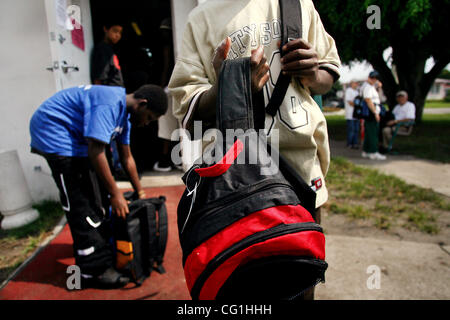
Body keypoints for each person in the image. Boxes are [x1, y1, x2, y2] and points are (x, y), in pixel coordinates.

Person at [168, 0, 340, 299]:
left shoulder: (297, 5)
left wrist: (312, 72)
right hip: (235, 183)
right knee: (242, 291)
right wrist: (229, 85)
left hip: (301, 175)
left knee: (300, 284)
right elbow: (188, 111)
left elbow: (327, 75)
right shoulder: (201, 18)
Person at [29, 84, 167, 288]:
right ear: (142, 104)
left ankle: (97, 246)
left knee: (99, 198)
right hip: (54, 133)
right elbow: (95, 151)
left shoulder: (124, 117)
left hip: (77, 139)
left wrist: (140, 192)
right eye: (149, 118)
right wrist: (116, 194)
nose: (146, 123)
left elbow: (126, 158)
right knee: (81, 203)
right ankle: (91, 271)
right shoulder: (109, 104)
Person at [91, 19, 126, 179]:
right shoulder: (102, 50)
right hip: (108, 99)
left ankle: (118, 166)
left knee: (118, 133)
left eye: (120, 33)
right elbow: (99, 79)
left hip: (116, 97)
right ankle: (115, 168)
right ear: (105, 28)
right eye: (114, 31)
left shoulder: (110, 50)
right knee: (111, 136)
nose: (117, 36)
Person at [154, 18, 181, 172]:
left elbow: (166, 67)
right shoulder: (177, 46)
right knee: (175, 124)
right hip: (174, 86)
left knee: (166, 125)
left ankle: (165, 160)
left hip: (168, 88)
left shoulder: (167, 48)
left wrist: (163, 86)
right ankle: (175, 158)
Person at [360, 71, 387, 160]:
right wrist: (375, 112)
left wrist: (378, 86)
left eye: (375, 78)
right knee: (373, 132)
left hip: (371, 111)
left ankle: (366, 150)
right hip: (371, 111)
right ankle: (373, 151)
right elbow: (368, 100)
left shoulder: (369, 86)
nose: (374, 80)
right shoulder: (367, 87)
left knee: (369, 132)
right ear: (369, 78)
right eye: (372, 78)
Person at [344, 80, 360, 149]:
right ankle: (349, 143)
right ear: (352, 84)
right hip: (350, 114)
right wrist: (357, 106)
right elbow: (349, 101)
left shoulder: (356, 92)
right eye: (355, 83)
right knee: (351, 130)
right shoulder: (349, 91)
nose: (356, 85)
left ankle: (355, 143)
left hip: (356, 114)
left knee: (356, 130)